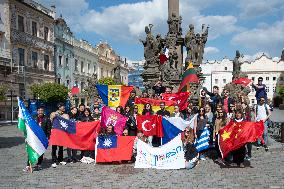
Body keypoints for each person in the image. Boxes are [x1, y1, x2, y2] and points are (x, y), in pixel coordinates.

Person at [23, 106, 52, 172]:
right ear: (37, 111)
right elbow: (29, 127)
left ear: (43, 111)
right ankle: (28, 165)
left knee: (41, 151)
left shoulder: (47, 119)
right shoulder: (33, 118)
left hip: (42, 138)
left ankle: (39, 164)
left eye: (42, 110)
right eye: (39, 110)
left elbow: (48, 129)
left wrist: (47, 137)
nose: (40, 112)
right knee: (31, 150)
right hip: (33, 138)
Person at [50, 103, 69, 168]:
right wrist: (56, 114)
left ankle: (60, 159)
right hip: (55, 133)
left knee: (61, 147)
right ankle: (54, 160)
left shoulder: (65, 115)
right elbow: (51, 119)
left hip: (62, 133)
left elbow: (67, 121)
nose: (64, 107)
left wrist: (63, 116)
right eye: (62, 106)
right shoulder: (53, 113)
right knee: (54, 147)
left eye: (64, 106)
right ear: (59, 107)